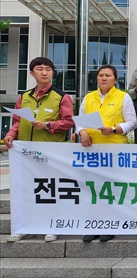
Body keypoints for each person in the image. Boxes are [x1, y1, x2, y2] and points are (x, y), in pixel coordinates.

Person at [4, 57, 75, 243]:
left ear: (53, 72)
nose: (44, 72)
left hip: (50, 153)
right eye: (40, 69)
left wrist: (48, 124)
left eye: (48, 69)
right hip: (26, 154)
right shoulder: (23, 97)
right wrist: (11, 134)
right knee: (25, 190)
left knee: (50, 191)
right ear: (31, 73)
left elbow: (68, 122)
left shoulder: (61, 97)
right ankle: (24, 227)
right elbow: (18, 121)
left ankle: (53, 226)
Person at [76, 65, 137, 242]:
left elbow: (132, 122)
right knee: (94, 189)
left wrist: (114, 129)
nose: (104, 78)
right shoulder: (88, 97)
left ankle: (110, 225)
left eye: (108, 76)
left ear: (115, 79)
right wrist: (82, 132)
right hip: (92, 150)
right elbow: (79, 120)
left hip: (114, 149)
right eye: (101, 75)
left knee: (111, 190)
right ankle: (94, 225)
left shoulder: (123, 97)